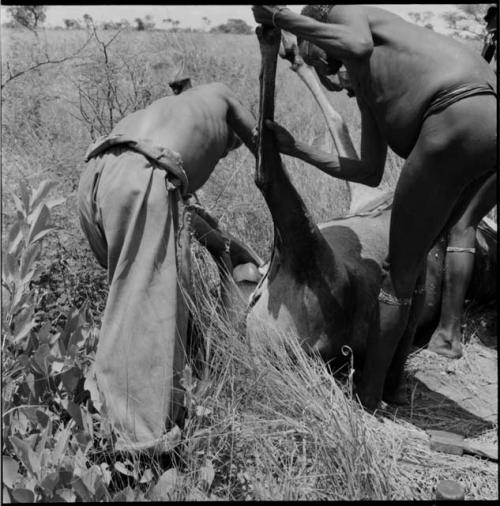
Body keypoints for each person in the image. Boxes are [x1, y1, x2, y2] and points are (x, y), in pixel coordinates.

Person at [252, 5, 497, 411]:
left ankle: (368, 398)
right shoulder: (366, 81)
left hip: (452, 115)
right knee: (414, 263)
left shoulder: (343, 10)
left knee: (394, 276)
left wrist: (280, 17)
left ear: (319, 26)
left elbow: (356, 43)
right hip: (483, 124)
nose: (330, 74)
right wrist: (298, 149)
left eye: (317, 56)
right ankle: (394, 387)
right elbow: (367, 171)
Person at [77, 82, 257, 453]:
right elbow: (265, 146)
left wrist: (225, 244)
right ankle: (137, 448)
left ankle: (100, 408)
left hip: (96, 176)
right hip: (140, 178)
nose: (223, 155)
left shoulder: (169, 112)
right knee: (144, 314)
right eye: (229, 148)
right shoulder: (226, 100)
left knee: (125, 303)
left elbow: (184, 211)